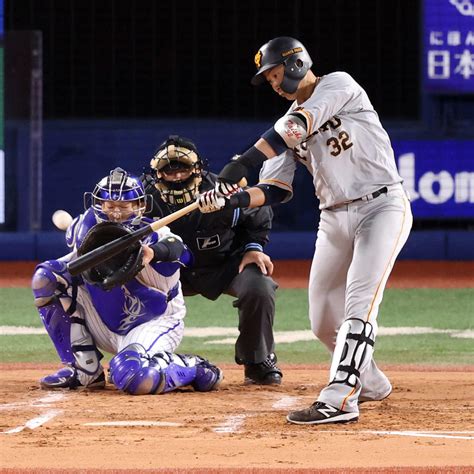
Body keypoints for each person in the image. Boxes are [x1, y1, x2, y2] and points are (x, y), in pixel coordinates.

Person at [197, 37, 413, 424]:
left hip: (382, 205)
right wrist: (232, 200)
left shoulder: (338, 85)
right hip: (333, 218)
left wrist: (241, 161)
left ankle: (341, 398)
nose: (275, 85)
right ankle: (371, 381)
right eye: (269, 79)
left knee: (359, 302)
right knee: (321, 321)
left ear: (296, 63)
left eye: (276, 74)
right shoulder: (281, 129)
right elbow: (274, 190)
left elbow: (298, 127)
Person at [32, 167, 222, 395]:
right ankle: (84, 370)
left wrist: (153, 252)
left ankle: (194, 368)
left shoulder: (157, 234)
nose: (115, 213)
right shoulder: (86, 230)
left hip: (152, 322)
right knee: (45, 279)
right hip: (103, 318)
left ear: (139, 206)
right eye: (109, 206)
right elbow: (68, 243)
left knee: (135, 378)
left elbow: (181, 252)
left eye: (123, 206)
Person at [141, 135, 286, 385]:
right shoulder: (143, 200)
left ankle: (257, 360)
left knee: (259, 286)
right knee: (125, 288)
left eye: (182, 169)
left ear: (197, 169)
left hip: (223, 265)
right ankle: (135, 358)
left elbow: (260, 212)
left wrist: (253, 247)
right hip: (167, 273)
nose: (176, 176)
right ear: (157, 174)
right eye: (168, 170)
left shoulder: (223, 191)